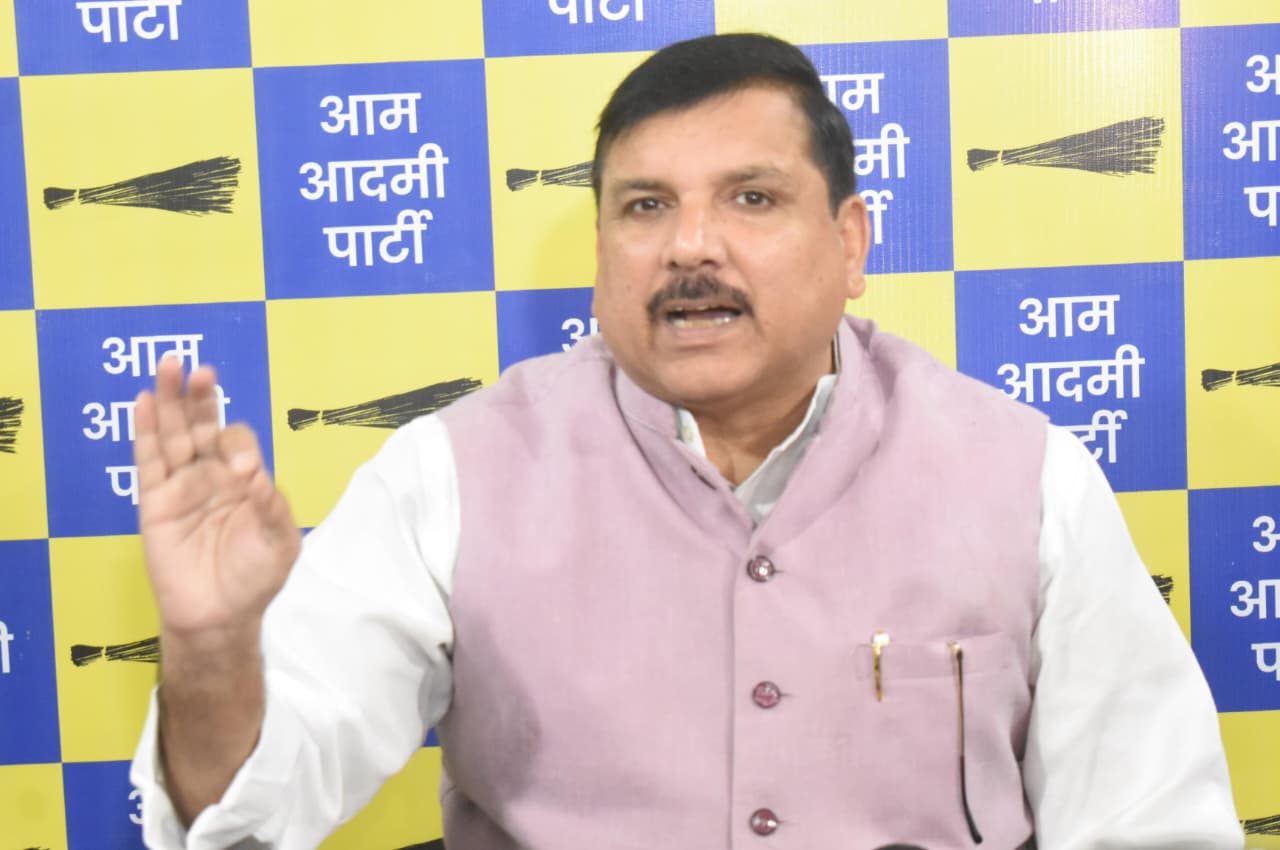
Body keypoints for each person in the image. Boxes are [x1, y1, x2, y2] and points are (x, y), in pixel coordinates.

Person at [130, 33, 1243, 850]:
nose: (689, 246)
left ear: (849, 243)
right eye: (645, 206)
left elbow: (1150, 822)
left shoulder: (1025, 476)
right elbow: (249, 814)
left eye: (751, 198)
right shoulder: (450, 475)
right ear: (602, 248)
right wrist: (212, 645)